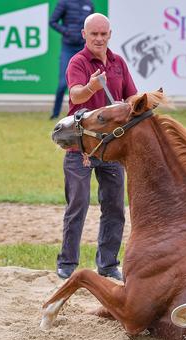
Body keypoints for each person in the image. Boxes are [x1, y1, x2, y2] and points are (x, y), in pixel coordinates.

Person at [56, 13, 137, 281]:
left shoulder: (118, 62)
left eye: (103, 34)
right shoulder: (78, 61)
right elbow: (75, 94)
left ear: (110, 34)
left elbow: (131, 94)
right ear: (84, 35)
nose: (99, 39)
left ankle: (108, 264)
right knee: (77, 204)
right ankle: (67, 263)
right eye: (94, 34)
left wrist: (142, 101)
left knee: (114, 207)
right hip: (81, 148)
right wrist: (91, 87)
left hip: (112, 147)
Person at [49, 0, 94, 120]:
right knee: (63, 84)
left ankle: (81, 114)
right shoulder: (64, 2)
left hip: (84, 48)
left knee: (85, 84)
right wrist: (67, 32)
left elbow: (92, 25)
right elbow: (52, 21)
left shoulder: (89, 3)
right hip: (68, 47)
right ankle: (55, 114)